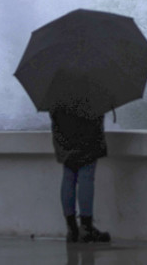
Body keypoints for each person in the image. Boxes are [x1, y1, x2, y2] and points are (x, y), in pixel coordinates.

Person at [49, 83, 112, 244]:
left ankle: (72, 229)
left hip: (64, 132)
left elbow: (53, 111)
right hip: (87, 134)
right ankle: (86, 227)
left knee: (68, 175)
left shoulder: (55, 81)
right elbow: (97, 108)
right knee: (86, 176)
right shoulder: (91, 80)